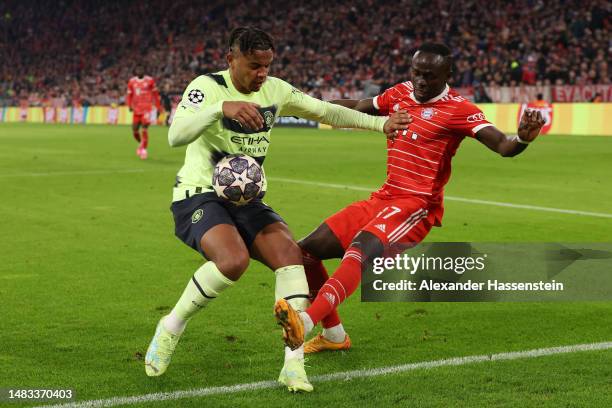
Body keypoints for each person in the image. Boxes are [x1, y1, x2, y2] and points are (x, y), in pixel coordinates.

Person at [143, 26, 410, 393]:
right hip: (199, 194)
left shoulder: (276, 90)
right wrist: (221, 108)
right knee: (233, 261)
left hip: (247, 197)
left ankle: (293, 363)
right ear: (231, 60)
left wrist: (381, 124)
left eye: (267, 65)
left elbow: (325, 111)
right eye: (254, 66)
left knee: (291, 256)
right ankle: (170, 327)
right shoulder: (207, 87)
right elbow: (176, 134)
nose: (262, 74)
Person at [274, 43, 545, 358]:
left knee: (359, 251)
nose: (420, 80)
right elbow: (360, 106)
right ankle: (334, 335)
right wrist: (307, 106)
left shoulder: (460, 110)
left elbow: (502, 145)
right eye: (416, 72)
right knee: (304, 251)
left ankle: (305, 322)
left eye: (429, 75)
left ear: (447, 74)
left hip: (416, 207)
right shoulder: (399, 93)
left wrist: (523, 138)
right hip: (385, 196)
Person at [126, 65, 161, 159]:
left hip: (147, 109)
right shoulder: (132, 81)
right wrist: (129, 105)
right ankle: (141, 144)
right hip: (136, 109)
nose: (140, 71)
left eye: (141, 69)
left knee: (144, 128)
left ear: (144, 71)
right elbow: (129, 95)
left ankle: (143, 149)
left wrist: (158, 107)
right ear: (135, 71)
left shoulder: (150, 80)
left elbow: (155, 94)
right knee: (135, 130)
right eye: (138, 69)